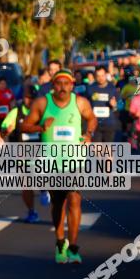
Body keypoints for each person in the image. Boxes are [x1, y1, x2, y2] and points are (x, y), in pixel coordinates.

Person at [21, 69, 97, 264]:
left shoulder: (80, 102)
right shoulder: (42, 103)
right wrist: (40, 127)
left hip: (75, 160)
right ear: (53, 85)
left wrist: (88, 134)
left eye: (67, 83)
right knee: (58, 203)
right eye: (59, 83)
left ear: (72, 85)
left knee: (74, 200)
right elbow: (24, 126)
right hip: (52, 161)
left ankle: (73, 247)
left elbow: (92, 118)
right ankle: (60, 241)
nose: (63, 87)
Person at [2, 81, 45, 223]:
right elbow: (4, 128)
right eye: (27, 97)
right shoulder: (16, 112)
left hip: (42, 153)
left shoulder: (43, 112)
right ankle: (32, 211)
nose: (30, 100)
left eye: (32, 98)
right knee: (26, 185)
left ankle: (45, 189)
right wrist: (6, 130)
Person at [85, 65, 120, 143]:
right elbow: (86, 105)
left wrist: (114, 106)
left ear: (106, 75)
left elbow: (120, 106)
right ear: (95, 76)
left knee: (108, 150)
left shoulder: (112, 88)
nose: (100, 78)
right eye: (98, 76)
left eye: (102, 75)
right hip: (95, 123)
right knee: (98, 150)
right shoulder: (90, 88)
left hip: (109, 123)